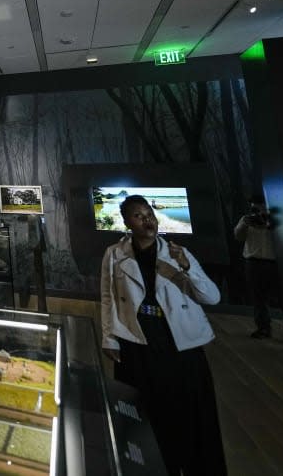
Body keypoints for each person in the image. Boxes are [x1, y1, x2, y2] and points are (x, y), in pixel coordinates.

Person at [100, 194, 226, 475]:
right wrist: (109, 337)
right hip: (138, 342)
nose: (147, 219)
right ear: (126, 222)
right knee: (146, 412)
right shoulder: (114, 254)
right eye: (138, 215)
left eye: (149, 213)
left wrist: (187, 267)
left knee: (190, 415)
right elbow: (108, 298)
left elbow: (212, 297)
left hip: (179, 344)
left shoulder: (177, 253)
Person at [233, 193, 277, 339]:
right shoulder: (247, 219)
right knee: (258, 298)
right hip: (253, 262)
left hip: (274, 262)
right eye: (254, 210)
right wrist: (246, 224)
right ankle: (263, 328)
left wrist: (268, 223)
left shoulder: (276, 220)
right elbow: (238, 237)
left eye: (260, 210)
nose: (257, 213)